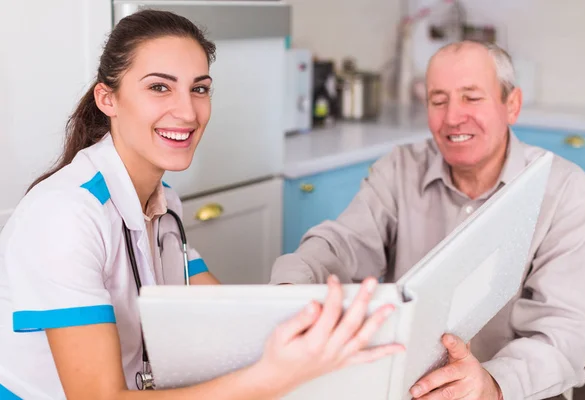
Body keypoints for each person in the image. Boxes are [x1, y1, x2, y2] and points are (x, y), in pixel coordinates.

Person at [0, 10, 404, 399]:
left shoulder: (164, 204)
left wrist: (337, 326)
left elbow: (229, 317)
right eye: (159, 87)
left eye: (199, 88)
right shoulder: (65, 215)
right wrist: (271, 379)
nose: (188, 111)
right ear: (108, 99)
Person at [271, 40, 585, 400]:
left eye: (471, 98)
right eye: (438, 100)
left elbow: (565, 330)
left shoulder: (568, 193)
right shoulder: (399, 169)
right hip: (410, 386)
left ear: (512, 105)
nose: (453, 117)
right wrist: (293, 290)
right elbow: (343, 244)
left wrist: (491, 385)